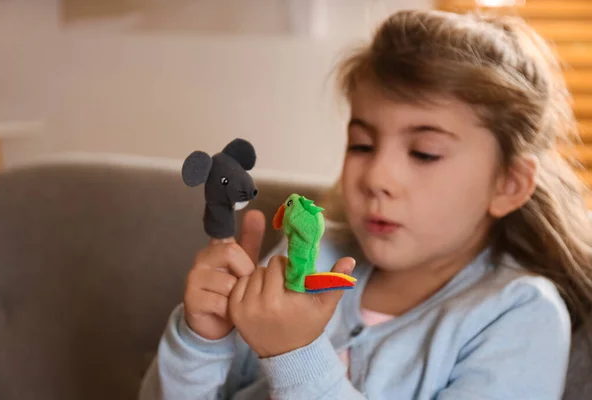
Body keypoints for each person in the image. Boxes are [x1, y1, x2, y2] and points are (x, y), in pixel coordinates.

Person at [138, 9, 592, 400]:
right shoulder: (316, 254)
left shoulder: (519, 313)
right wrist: (199, 341)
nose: (377, 176)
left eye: (424, 153)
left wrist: (296, 356)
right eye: (361, 145)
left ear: (508, 184)